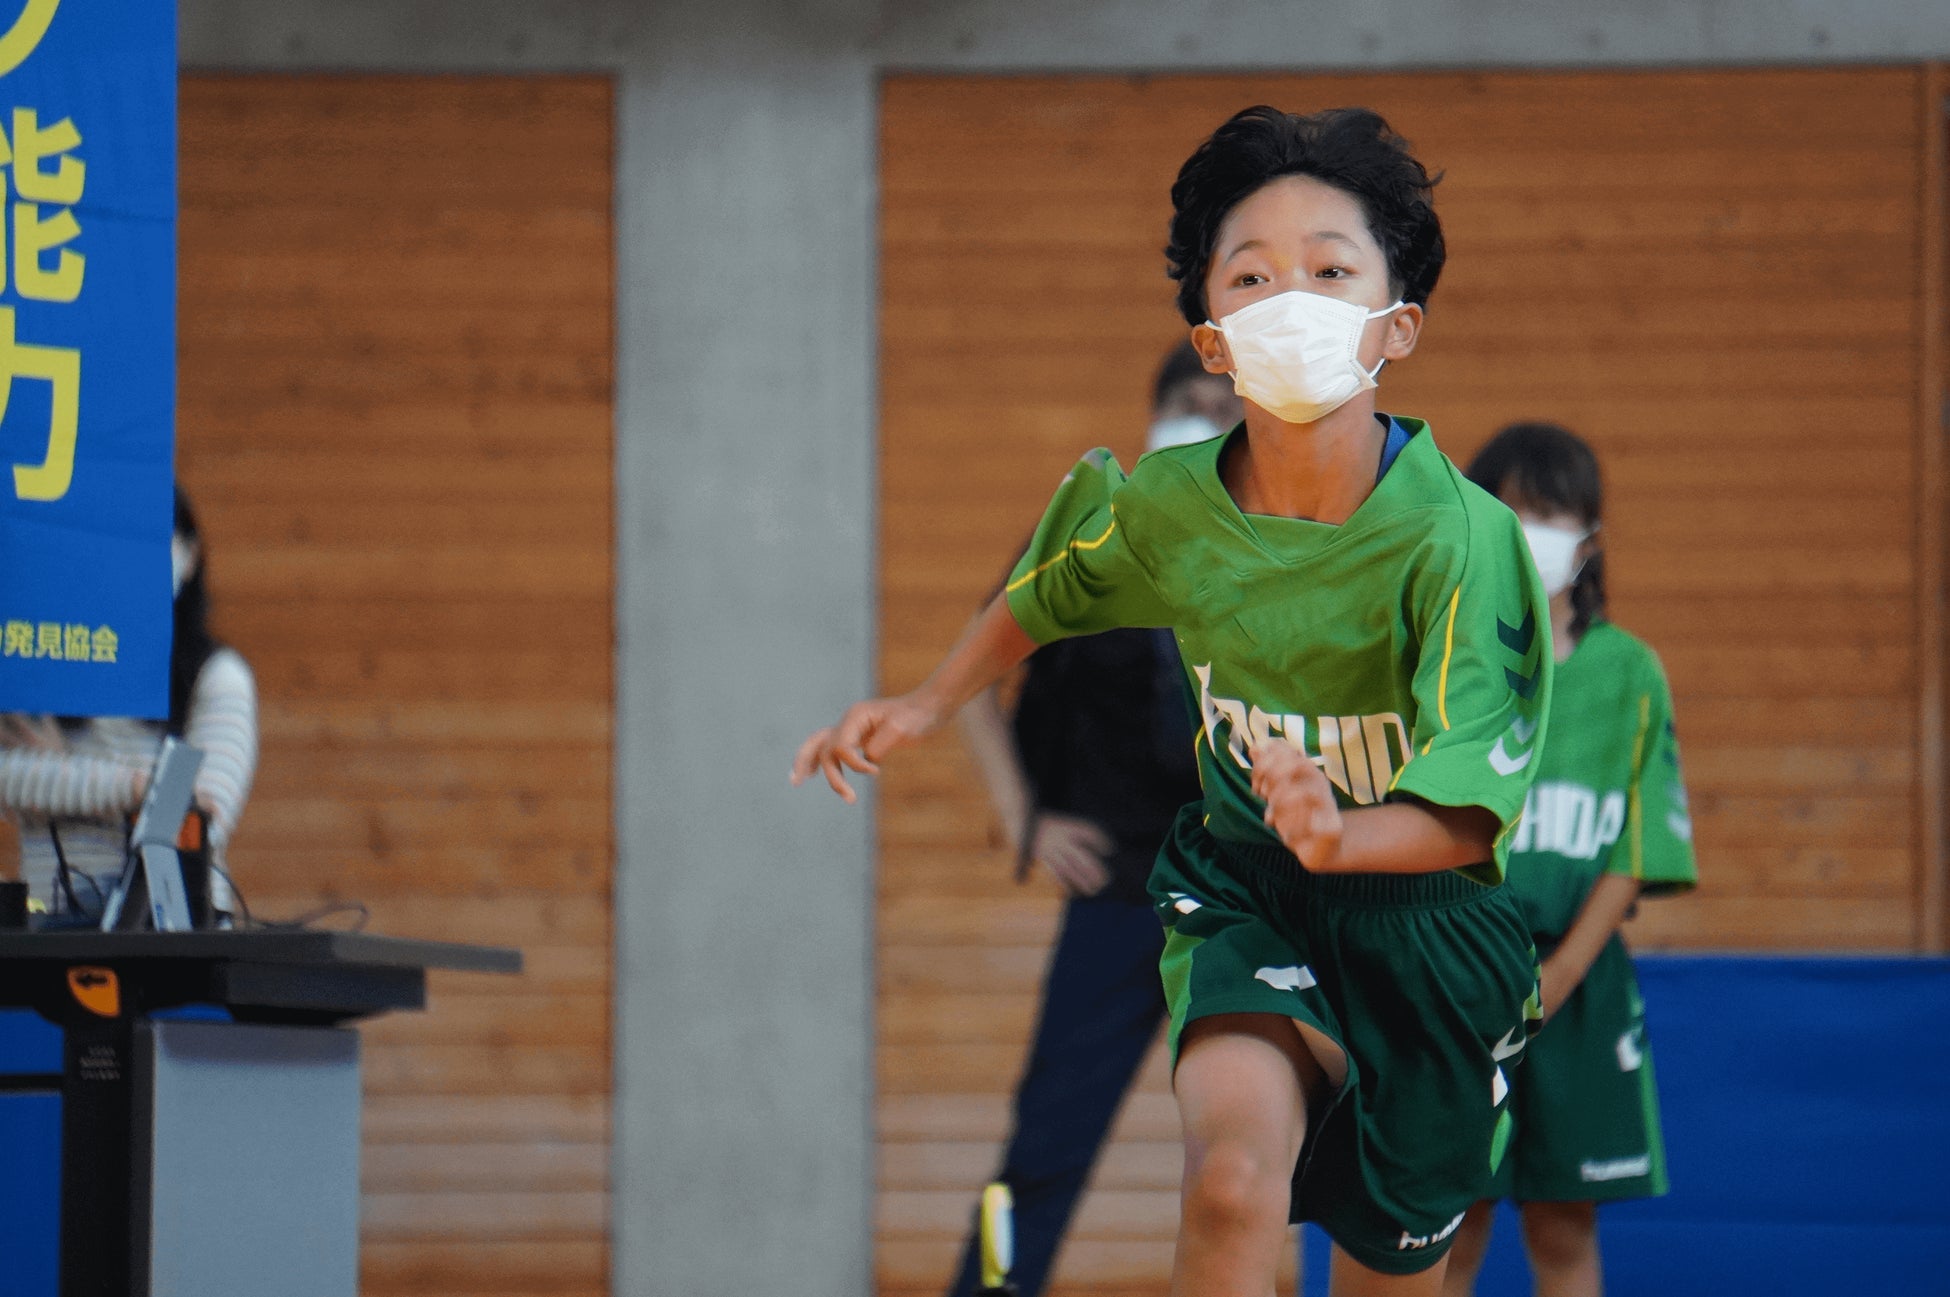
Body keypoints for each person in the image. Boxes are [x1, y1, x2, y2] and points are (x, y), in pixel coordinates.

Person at [796, 105, 1551, 1297]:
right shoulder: (1167, 505)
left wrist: (1342, 832)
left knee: (1392, 1268)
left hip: (1424, 923)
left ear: (1395, 326)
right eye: (1251, 273)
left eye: (1330, 269)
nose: (1290, 295)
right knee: (1231, 1185)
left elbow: (1468, 813)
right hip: (1244, 885)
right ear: (1214, 340)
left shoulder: (1462, 542)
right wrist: (933, 701)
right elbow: (1042, 597)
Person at [943, 341, 1237, 1297]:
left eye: (1227, 410)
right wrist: (1024, 816)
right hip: (1116, 894)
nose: (1207, 418)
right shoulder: (1095, 526)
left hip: (1234, 900)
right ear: (1155, 414)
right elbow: (976, 670)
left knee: (1252, 1151)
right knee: (1042, 1145)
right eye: (1190, 402)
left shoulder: (1271, 542)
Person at [1439, 423, 1698, 1297]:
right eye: (1512, 511)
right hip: (1451, 987)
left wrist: (1559, 972)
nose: (1532, 531)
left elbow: (1634, 849)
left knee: (1561, 1226)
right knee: (1446, 1227)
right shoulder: (1444, 662)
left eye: (1551, 513)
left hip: (1575, 989)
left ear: (1589, 537)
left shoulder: (1631, 674)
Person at [0, 485, 258, 923]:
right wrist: (141, 788)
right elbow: (7, 778)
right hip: (50, 923)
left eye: (150, 542)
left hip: (177, 929)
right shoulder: (38, 662)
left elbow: (204, 810)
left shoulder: (216, 674)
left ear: (189, 555)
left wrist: (60, 771)